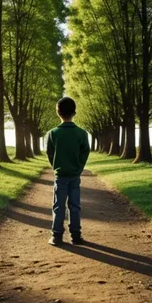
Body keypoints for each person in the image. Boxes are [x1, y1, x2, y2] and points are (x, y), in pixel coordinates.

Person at [46, 96, 90, 246]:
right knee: (75, 205)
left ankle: (57, 236)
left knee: (58, 206)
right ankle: (76, 236)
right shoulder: (82, 134)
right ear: (74, 112)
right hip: (74, 175)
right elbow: (85, 152)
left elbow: (49, 153)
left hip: (60, 175)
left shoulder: (53, 133)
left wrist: (57, 166)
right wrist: (78, 167)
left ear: (58, 112)